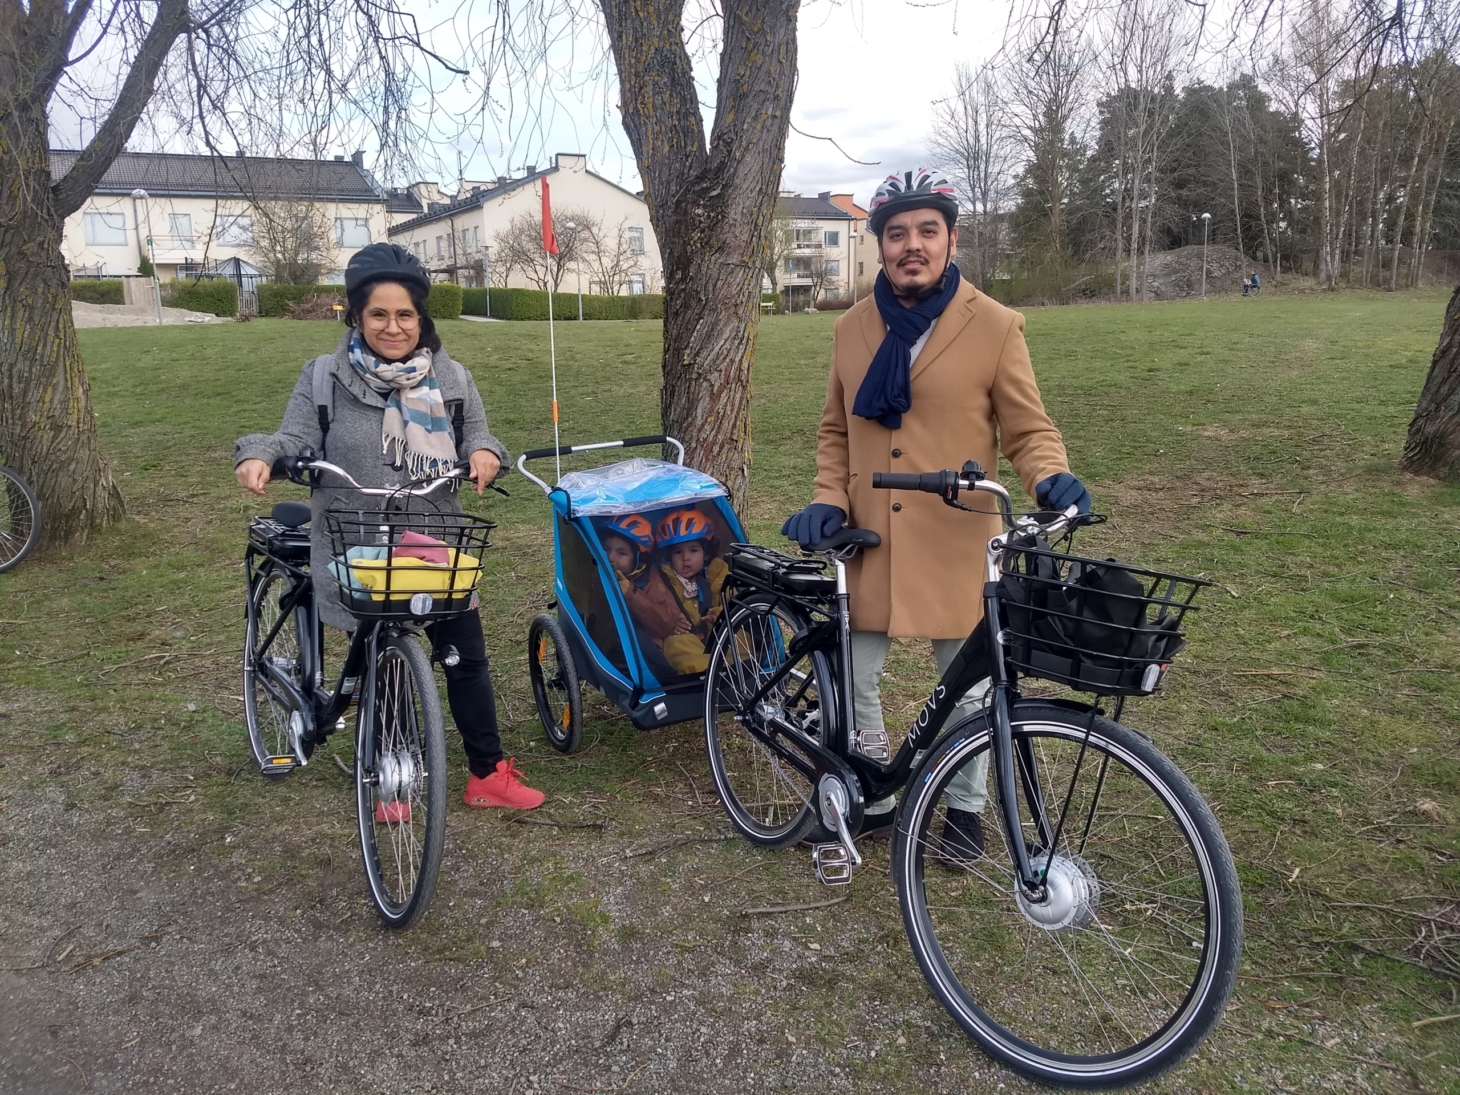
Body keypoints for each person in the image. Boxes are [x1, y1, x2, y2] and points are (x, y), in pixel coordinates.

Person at [781, 167, 1090, 865]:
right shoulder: (852, 328)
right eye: (896, 234)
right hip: (871, 539)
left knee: (969, 689)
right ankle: (878, 797)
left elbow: (1028, 428)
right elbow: (836, 431)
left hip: (956, 535)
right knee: (856, 679)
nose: (911, 245)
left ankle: (965, 811)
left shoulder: (995, 325)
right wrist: (829, 496)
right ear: (881, 244)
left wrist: (1048, 475)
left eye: (927, 231)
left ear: (952, 239)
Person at [234, 242, 545, 811]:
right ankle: (388, 775)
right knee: (381, 657)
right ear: (357, 316)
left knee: (466, 657)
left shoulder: (450, 377)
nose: (393, 326)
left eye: (405, 314)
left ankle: (488, 774)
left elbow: (478, 432)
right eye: (379, 314)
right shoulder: (324, 378)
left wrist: (483, 452)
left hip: (434, 540)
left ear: (421, 318)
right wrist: (259, 454)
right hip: (358, 545)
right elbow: (294, 438)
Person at [596, 513, 684, 681]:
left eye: (621, 553)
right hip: (607, 643)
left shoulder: (650, 579)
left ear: (637, 559)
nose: (610, 558)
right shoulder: (594, 573)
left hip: (646, 651)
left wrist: (630, 592)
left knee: (635, 634)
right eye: (606, 549)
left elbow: (665, 624)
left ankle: (670, 680)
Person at [656, 509, 730, 675]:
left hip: (714, 634)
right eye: (678, 552)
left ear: (706, 553)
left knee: (738, 634)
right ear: (669, 556)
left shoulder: (717, 573)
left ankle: (738, 675)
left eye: (693, 550)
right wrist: (673, 622)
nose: (685, 558)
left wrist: (719, 614)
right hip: (683, 636)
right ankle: (710, 679)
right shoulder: (663, 579)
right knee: (676, 644)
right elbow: (657, 606)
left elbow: (733, 599)